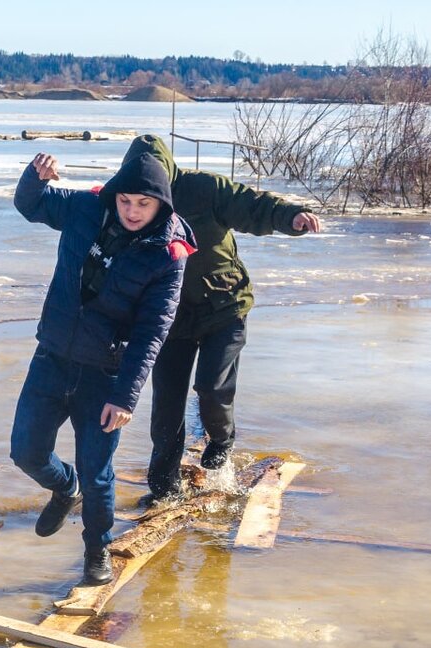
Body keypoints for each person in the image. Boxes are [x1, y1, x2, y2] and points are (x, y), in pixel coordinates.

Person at [10, 145, 196, 585]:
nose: (133, 211)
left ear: (161, 204)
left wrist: (125, 396)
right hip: (52, 357)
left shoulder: (169, 255)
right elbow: (30, 205)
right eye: (126, 200)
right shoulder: (85, 208)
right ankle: (62, 486)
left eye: (144, 204)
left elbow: (154, 330)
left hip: (105, 374)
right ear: (114, 195)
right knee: (26, 452)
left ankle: (98, 550)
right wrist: (36, 176)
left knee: (97, 474)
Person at [120, 135, 322, 500]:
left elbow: (251, 204)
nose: (140, 197)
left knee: (212, 388)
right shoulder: (130, 207)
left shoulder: (203, 188)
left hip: (224, 307)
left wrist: (291, 215)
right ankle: (163, 487)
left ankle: (222, 439)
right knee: (166, 405)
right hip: (170, 319)